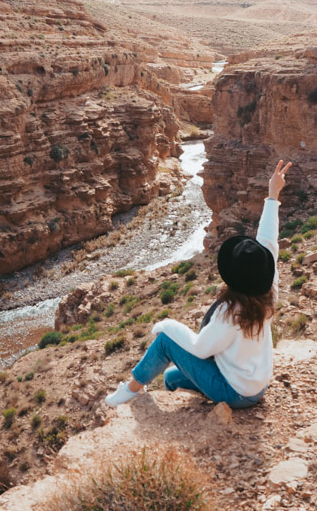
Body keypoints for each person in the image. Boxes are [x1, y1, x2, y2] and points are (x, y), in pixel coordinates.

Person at [105, 159, 293, 409]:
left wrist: (166, 325)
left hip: (235, 391)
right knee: (171, 378)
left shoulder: (231, 312)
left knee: (164, 342)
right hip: (256, 384)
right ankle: (192, 407)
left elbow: (200, 348)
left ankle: (128, 391)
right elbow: (269, 240)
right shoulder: (269, 288)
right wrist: (273, 195)